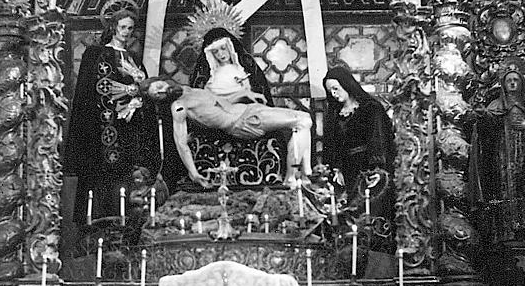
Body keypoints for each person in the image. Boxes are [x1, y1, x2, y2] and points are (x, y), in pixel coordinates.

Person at [64, 0, 162, 224]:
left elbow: (145, 89)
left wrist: (139, 100)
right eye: (123, 27)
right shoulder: (96, 54)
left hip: (130, 128)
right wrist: (125, 94)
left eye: (130, 28)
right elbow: (91, 91)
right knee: (104, 179)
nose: (126, 32)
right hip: (104, 127)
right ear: (113, 27)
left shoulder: (134, 59)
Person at [141, 77, 312, 187]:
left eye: (159, 86)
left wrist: (245, 93)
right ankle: (292, 178)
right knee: (303, 121)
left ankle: (303, 175)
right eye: (157, 95)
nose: (162, 91)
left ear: (163, 80)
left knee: (304, 119)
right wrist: (193, 173)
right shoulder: (179, 107)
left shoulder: (187, 89)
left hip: (249, 109)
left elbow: (218, 103)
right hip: (244, 122)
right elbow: (181, 142)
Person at [468, 65, 525, 241]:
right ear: (503, 85)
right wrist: (483, 115)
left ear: (522, 84)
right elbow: (487, 128)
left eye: (516, 80)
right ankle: (505, 231)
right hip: (503, 156)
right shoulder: (496, 105)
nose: (512, 83)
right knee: (505, 190)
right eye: (509, 81)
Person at [322, 66, 395, 196]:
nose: (333, 94)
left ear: (346, 84)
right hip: (345, 172)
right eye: (330, 91)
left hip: (367, 168)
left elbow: (378, 139)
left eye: (336, 89)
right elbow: (331, 145)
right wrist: (336, 169)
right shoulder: (333, 115)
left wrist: (377, 169)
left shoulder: (371, 108)